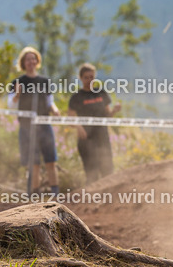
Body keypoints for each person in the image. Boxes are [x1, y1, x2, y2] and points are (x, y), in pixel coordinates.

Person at [8, 46, 60, 194]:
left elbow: (50, 101)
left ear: (37, 61)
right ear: (23, 63)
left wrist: (55, 110)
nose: (31, 62)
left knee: (51, 161)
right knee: (33, 163)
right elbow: (11, 105)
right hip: (27, 127)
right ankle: (34, 195)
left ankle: (55, 195)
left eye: (33, 59)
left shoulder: (45, 81)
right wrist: (17, 95)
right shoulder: (18, 82)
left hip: (44, 125)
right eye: (28, 59)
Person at [68, 63, 120, 184]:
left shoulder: (101, 93)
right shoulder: (76, 97)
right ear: (81, 78)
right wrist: (78, 127)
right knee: (92, 175)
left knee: (108, 172)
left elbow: (107, 116)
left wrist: (114, 111)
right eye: (86, 77)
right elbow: (70, 119)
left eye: (91, 77)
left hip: (102, 138)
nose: (89, 80)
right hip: (86, 140)